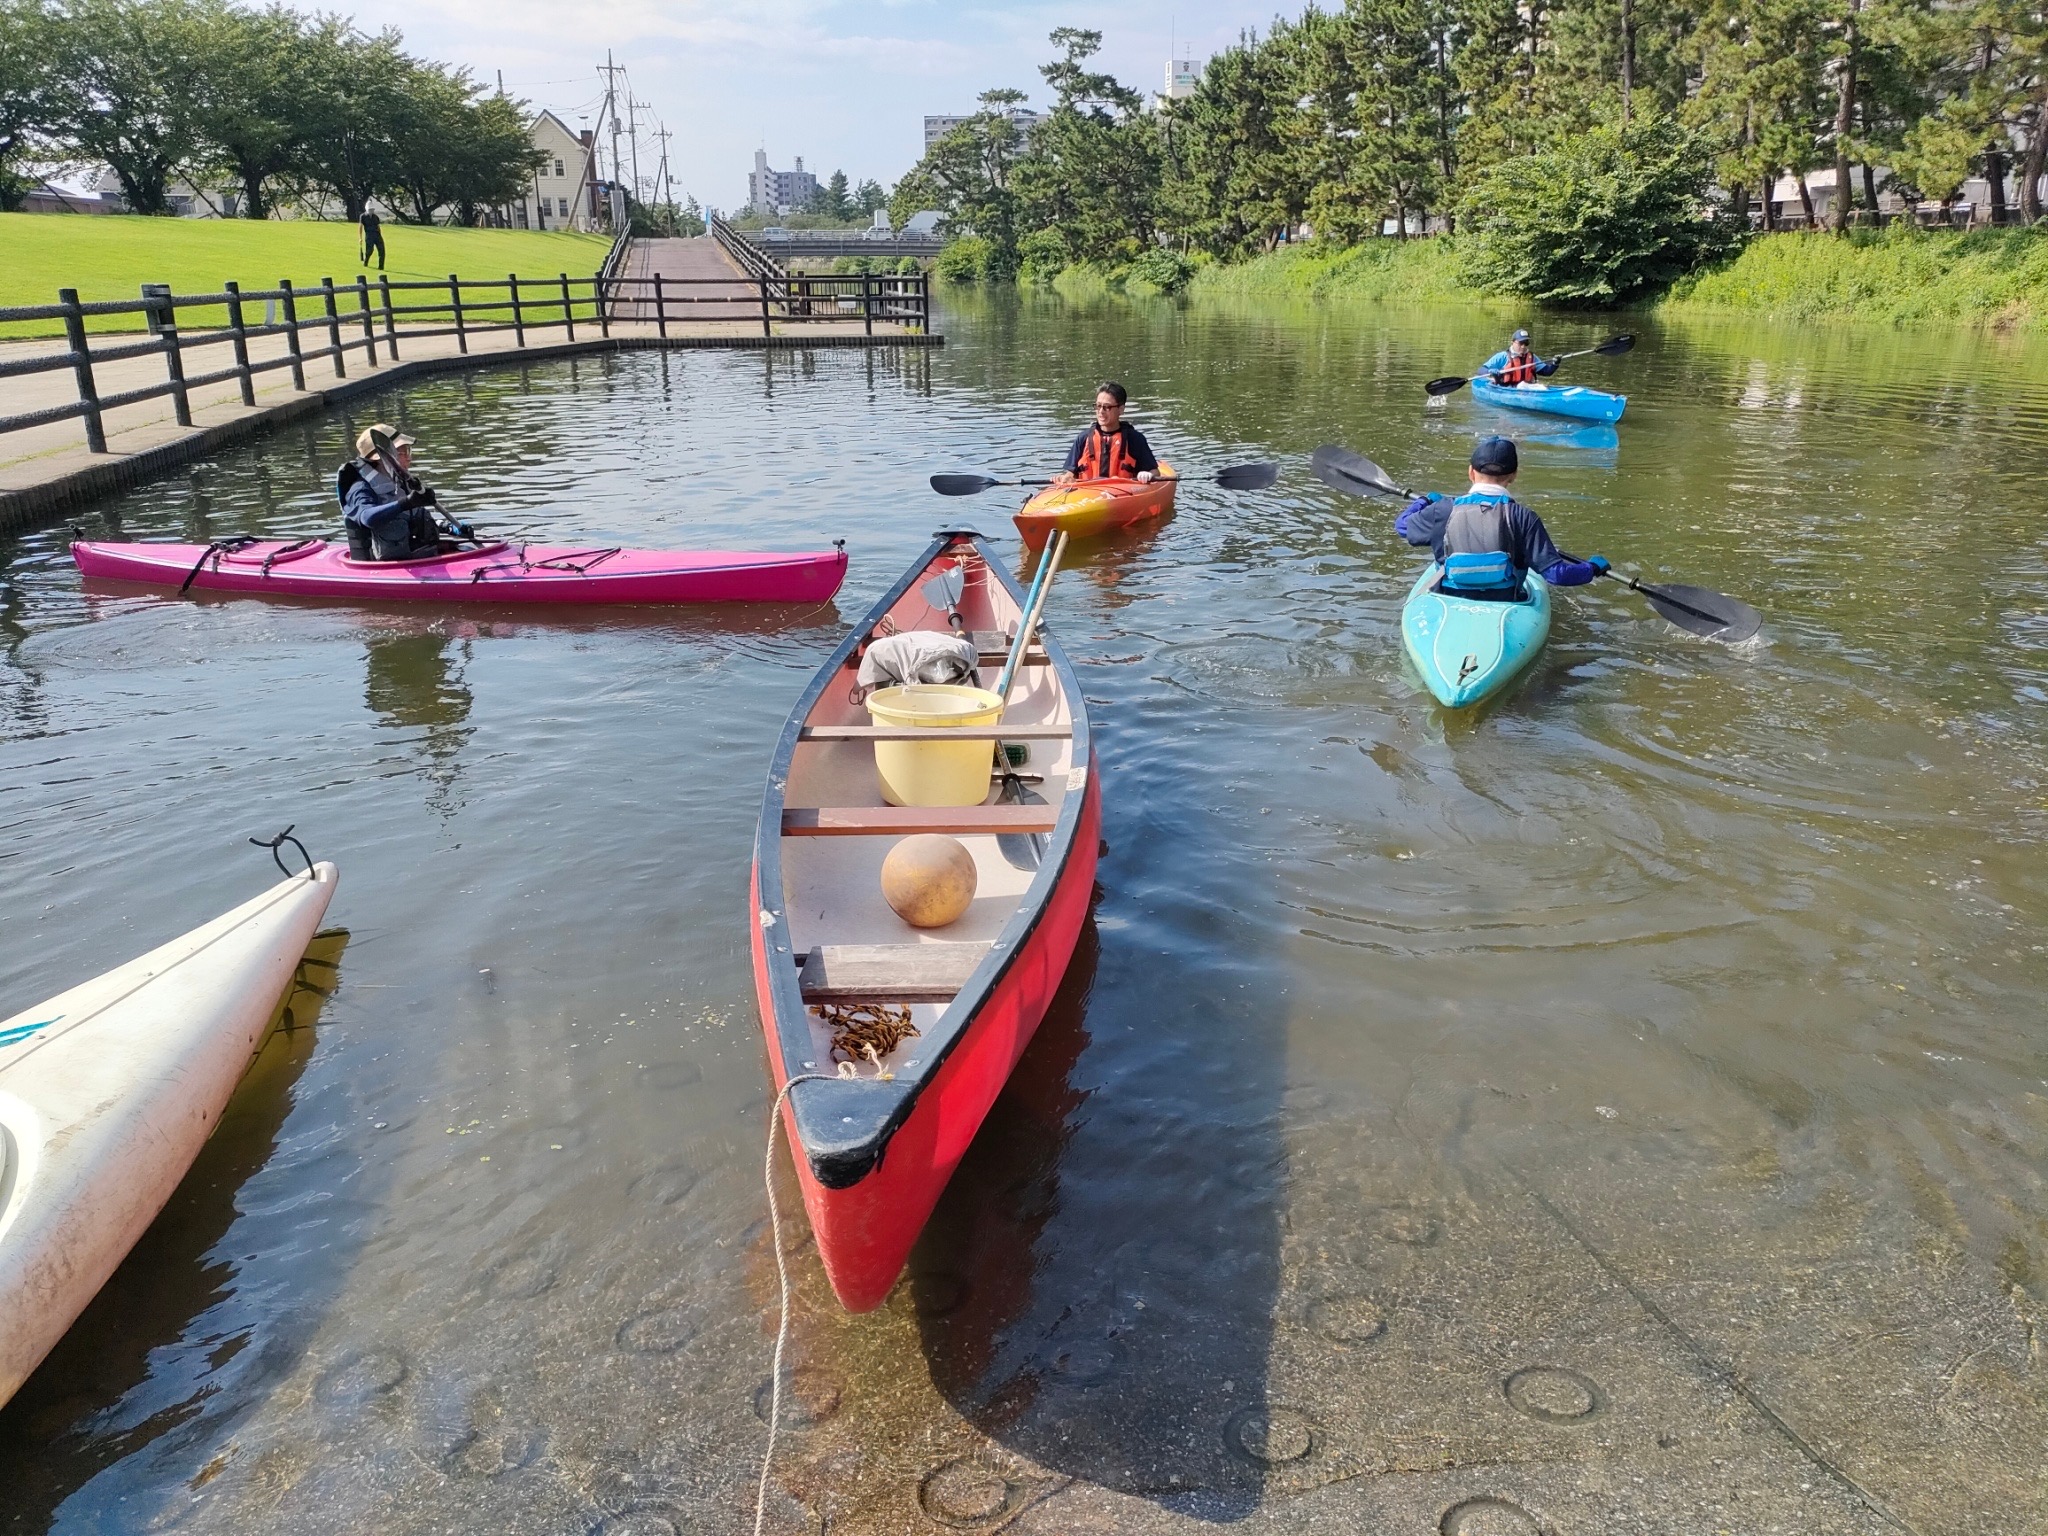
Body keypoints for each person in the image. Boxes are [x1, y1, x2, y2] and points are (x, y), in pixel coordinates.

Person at [1396, 436, 1607, 599]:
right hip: (1505, 602)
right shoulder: (1524, 518)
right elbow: (1557, 575)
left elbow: (1403, 526)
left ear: (1470, 472)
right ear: (1514, 475)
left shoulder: (1442, 510)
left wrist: (1424, 501)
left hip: (1449, 598)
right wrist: (1592, 568)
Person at [337, 424, 441, 561]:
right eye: (402, 453)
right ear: (383, 457)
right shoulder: (359, 488)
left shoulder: (400, 482)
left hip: (415, 557)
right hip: (377, 568)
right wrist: (406, 503)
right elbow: (366, 517)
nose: (409, 458)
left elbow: (413, 516)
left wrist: (447, 527)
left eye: (408, 451)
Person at [1055, 381, 1159, 484]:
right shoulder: (1083, 438)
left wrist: (1148, 475)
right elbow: (1070, 473)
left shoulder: (1134, 439)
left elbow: (1155, 472)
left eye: (1107, 407)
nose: (1101, 411)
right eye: (1098, 406)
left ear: (1121, 409)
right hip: (1088, 493)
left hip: (1123, 494)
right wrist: (1066, 478)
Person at [1480, 329, 1558, 387]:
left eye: (1526, 343)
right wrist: (1489, 371)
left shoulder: (1532, 357)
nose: (1523, 346)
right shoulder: (1502, 356)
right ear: (1512, 342)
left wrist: (1555, 364)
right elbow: (1481, 370)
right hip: (1506, 389)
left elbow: (1547, 372)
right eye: (1520, 343)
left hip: (1526, 388)